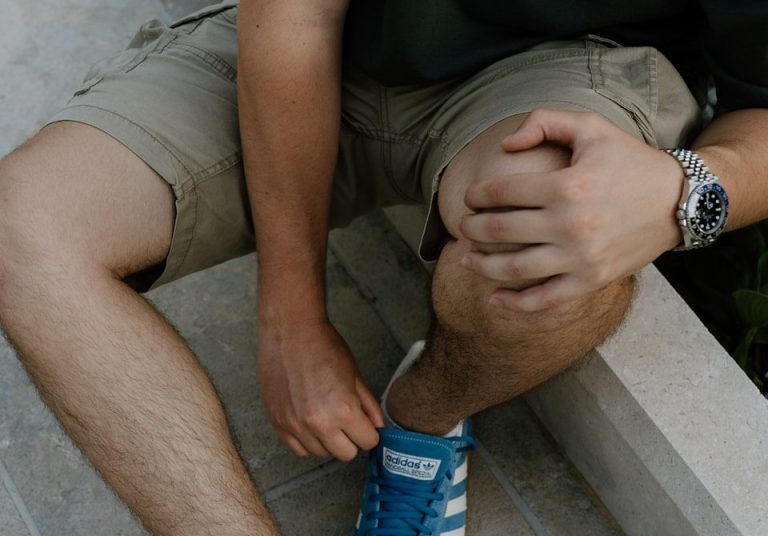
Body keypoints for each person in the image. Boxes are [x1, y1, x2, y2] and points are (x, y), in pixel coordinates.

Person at [1, 0, 766, 534]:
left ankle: (421, 425)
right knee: (23, 230)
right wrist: (291, 319)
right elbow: (295, 17)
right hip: (311, 43)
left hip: (564, 70)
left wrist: (684, 189)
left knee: (553, 258)